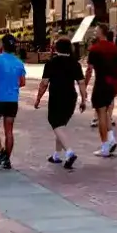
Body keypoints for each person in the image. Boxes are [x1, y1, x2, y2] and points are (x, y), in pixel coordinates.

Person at [33, 38, 87, 169]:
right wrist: (83, 100)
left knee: (55, 123)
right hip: (71, 97)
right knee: (60, 125)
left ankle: (69, 152)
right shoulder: (75, 64)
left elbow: (44, 83)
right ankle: (56, 155)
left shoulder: (51, 63)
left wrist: (38, 98)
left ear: (56, 48)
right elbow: (81, 83)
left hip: (57, 97)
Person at [0, 33, 27, 170]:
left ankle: (0, 151)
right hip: (12, 101)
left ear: (2, 45)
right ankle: (7, 159)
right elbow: (22, 82)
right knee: (9, 131)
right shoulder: (19, 63)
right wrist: (12, 86)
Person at [84, 25, 117, 157]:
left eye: (96, 30)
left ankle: (105, 146)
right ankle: (111, 139)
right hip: (112, 84)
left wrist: (84, 85)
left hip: (101, 83)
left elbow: (89, 70)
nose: (95, 32)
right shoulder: (115, 49)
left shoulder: (95, 49)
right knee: (105, 112)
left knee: (100, 113)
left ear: (101, 32)